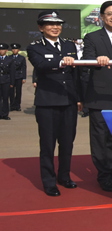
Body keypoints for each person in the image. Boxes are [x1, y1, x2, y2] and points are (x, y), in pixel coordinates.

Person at [27, 10, 82, 196]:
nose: (55, 27)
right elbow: (40, 65)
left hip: (68, 101)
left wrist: (79, 97)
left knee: (67, 143)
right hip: (47, 102)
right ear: (41, 27)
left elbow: (75, 74)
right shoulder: (34, 47)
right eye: (50, 24)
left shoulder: (69, 45)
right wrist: (61, 62)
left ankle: (64, 176)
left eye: (58, 24)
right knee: (48, 144)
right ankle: (49, 182)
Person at [82, 1, 112, 192]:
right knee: (100, 140)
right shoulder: (92, 37)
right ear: (102, 17)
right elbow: (86, 60)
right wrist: (96, 61)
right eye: (109, 14)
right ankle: (103, 176)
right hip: (100, 97)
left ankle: (111, 172)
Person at [9, 43, 26, 112]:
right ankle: (12, 105)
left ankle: (17, 105)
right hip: (11, 77)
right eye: (13, 49)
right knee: (11, 92)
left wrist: (24, 78)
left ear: (18, 50)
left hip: (19, 76)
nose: (14, 50)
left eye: (15, 49)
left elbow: (24, 68)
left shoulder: (21, 58)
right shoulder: (9, 57)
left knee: (18, 92)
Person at [0, 43, 15, 120]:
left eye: (3, 50)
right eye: (0, 50)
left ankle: (5, 114)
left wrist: (12, 83)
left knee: (5, 98)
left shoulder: (10, 60)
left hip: (6, 80)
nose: (1, 51)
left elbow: (12, 72)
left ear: (6, 50)